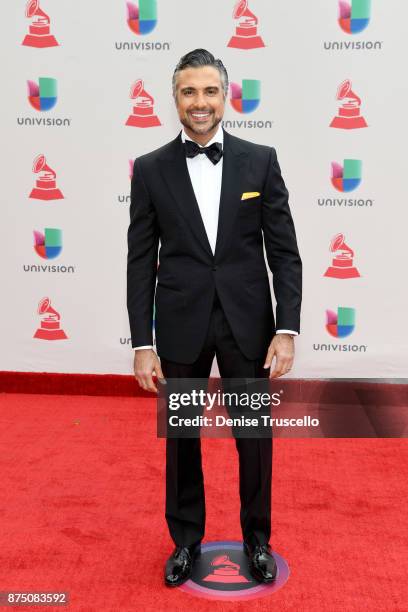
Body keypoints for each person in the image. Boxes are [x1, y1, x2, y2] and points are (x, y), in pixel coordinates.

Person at [127, 49, 302, 587]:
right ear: (174, 98)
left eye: (209, 91)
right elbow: (140, 258)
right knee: (182, 437)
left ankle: (257, 540)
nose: (199, 103)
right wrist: (142, 341)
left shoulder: (260, 160)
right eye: (188, 92)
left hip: (248, 322)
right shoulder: (151, 168)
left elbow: (284, 251)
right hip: (180, 322)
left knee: (253, 436)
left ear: (226, 97)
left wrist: (286, 329)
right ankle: (185, 540)